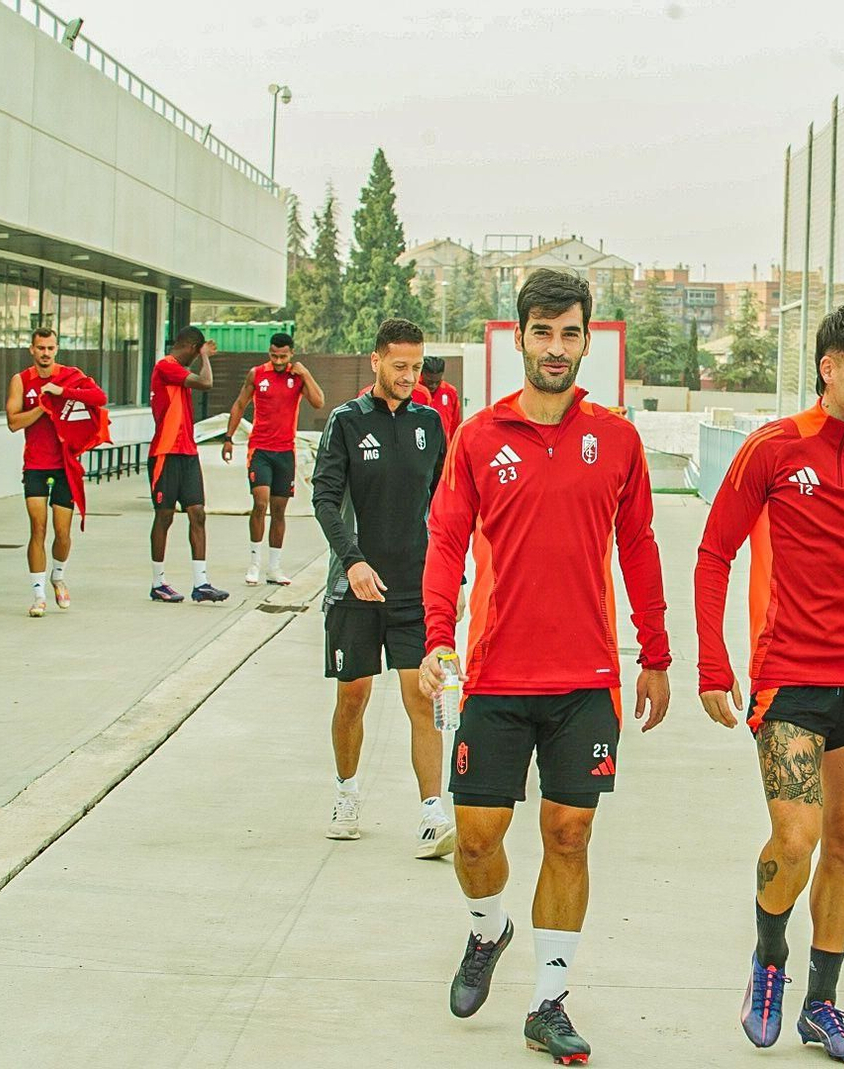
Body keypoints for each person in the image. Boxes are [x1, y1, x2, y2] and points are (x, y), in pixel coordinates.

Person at [418, 269, 671, 1065]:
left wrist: (655, 651)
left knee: (568, 834)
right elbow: (446, 542)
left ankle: (548, 1000)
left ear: (586, 338)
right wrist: (436, 638)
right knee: (475, 840)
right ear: (518, 337)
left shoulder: (618, 439)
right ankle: (488, 928)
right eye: (542, 332)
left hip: (586, 679)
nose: (555, 347)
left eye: (570, 333)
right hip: (493, 675)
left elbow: (637, 545)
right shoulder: (479, 436)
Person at [695, 303, 844, 1062]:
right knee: (796, 836)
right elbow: (714, 553)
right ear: (829, 367)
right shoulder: (772, 448)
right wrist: (714, 661)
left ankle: (821, 1004)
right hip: (789, 679)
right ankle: (770, 954)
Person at [312, 317, 454, 859]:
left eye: (416, 367)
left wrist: (452, 576)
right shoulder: (347, 423)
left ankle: (430, 814)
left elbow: (444, 508)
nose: (409, 376)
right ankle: (346, 793)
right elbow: (325, 500)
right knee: (354, 696)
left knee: (424, 697)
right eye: (400, 366)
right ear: (375, 361)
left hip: (414, 589)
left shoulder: (429, 423)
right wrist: (351, 563)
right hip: (356, 587)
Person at [4, 328, 108, 617]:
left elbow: (99, 397)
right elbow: (12, 422)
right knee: (37, 529)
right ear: (31, 350)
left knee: (62, 533)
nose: (45, 353)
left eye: (50, 348)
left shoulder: (71, 375)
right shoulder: (21, 380)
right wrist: (42, 407)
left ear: (57, 349)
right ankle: (38, 595)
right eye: (40, 348)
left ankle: (58, 575)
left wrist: (62, 392)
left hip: (65, 466)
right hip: (36, 464)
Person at [222, 332, 325, 586]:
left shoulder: (296, 377)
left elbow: (319, 402)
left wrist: (305, 374)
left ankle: (274, 567)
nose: (278, 360)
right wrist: (228, 437)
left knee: (279, 511)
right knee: (261, 502)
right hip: (260, 450)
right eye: (273, 355)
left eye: (283, 356)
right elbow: (239, 404)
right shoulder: (257, 374)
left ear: (291, 354)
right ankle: (254, 564)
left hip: (285, 452)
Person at [149, 330, 228, 604]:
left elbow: (194, 377)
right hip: (166, 453)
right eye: (197, 351)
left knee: (197, 513)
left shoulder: (177, 371)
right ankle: (158, 582)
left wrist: (199, 354)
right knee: (165, 516)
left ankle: (201, 582)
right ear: (193, 347)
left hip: (187, 452)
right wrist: (205, 356)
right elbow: (206, 382)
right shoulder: (165, 366)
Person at [421, 355, 462, 442]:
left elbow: (455, 424)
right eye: (430, 381)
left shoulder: (450, 391)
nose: (433, 385)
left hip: (443, 447)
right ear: (422, 373)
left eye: (437, 381)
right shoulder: (414, 391)